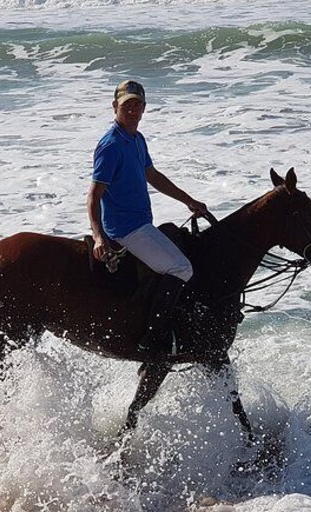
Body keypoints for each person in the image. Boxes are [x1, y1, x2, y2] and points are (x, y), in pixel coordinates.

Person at [87, 79, 208, 355]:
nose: (133, 110)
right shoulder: (111, 146)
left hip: (141, 223)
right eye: (127, 104)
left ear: (144, 108)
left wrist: (188, 201)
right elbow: (93, 196)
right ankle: (154, 338)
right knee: (182, 268)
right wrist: (98, 237)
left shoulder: (136, 139)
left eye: (137, 105)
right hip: (125, 229)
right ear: (115, 106)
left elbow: (152, 175)